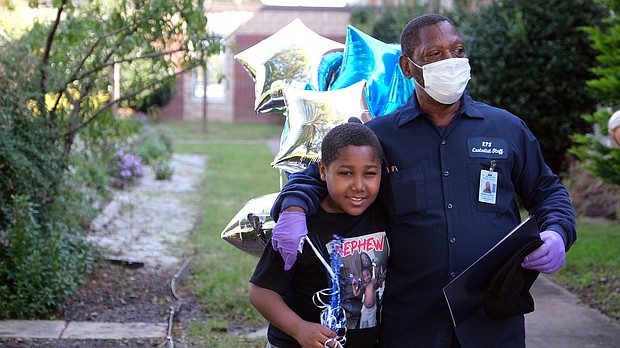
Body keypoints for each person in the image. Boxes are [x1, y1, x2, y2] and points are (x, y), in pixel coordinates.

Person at [269, 13, 576, 348]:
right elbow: (322, 175)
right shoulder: (382, 137)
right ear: (407, 66)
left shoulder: (505, 128)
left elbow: (548, 193)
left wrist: (557, 232)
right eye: (435, 54)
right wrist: (294, 208)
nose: (452, 62)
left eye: (458, 51)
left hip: (492, 320)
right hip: (412, 324)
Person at [249, 122, 390, 348]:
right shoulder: (300, 226)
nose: (358, 185)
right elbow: (261, 291)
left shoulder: (382, 214)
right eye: (346, 173)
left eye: (370, 173)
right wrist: (298, 328)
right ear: (323, 171)